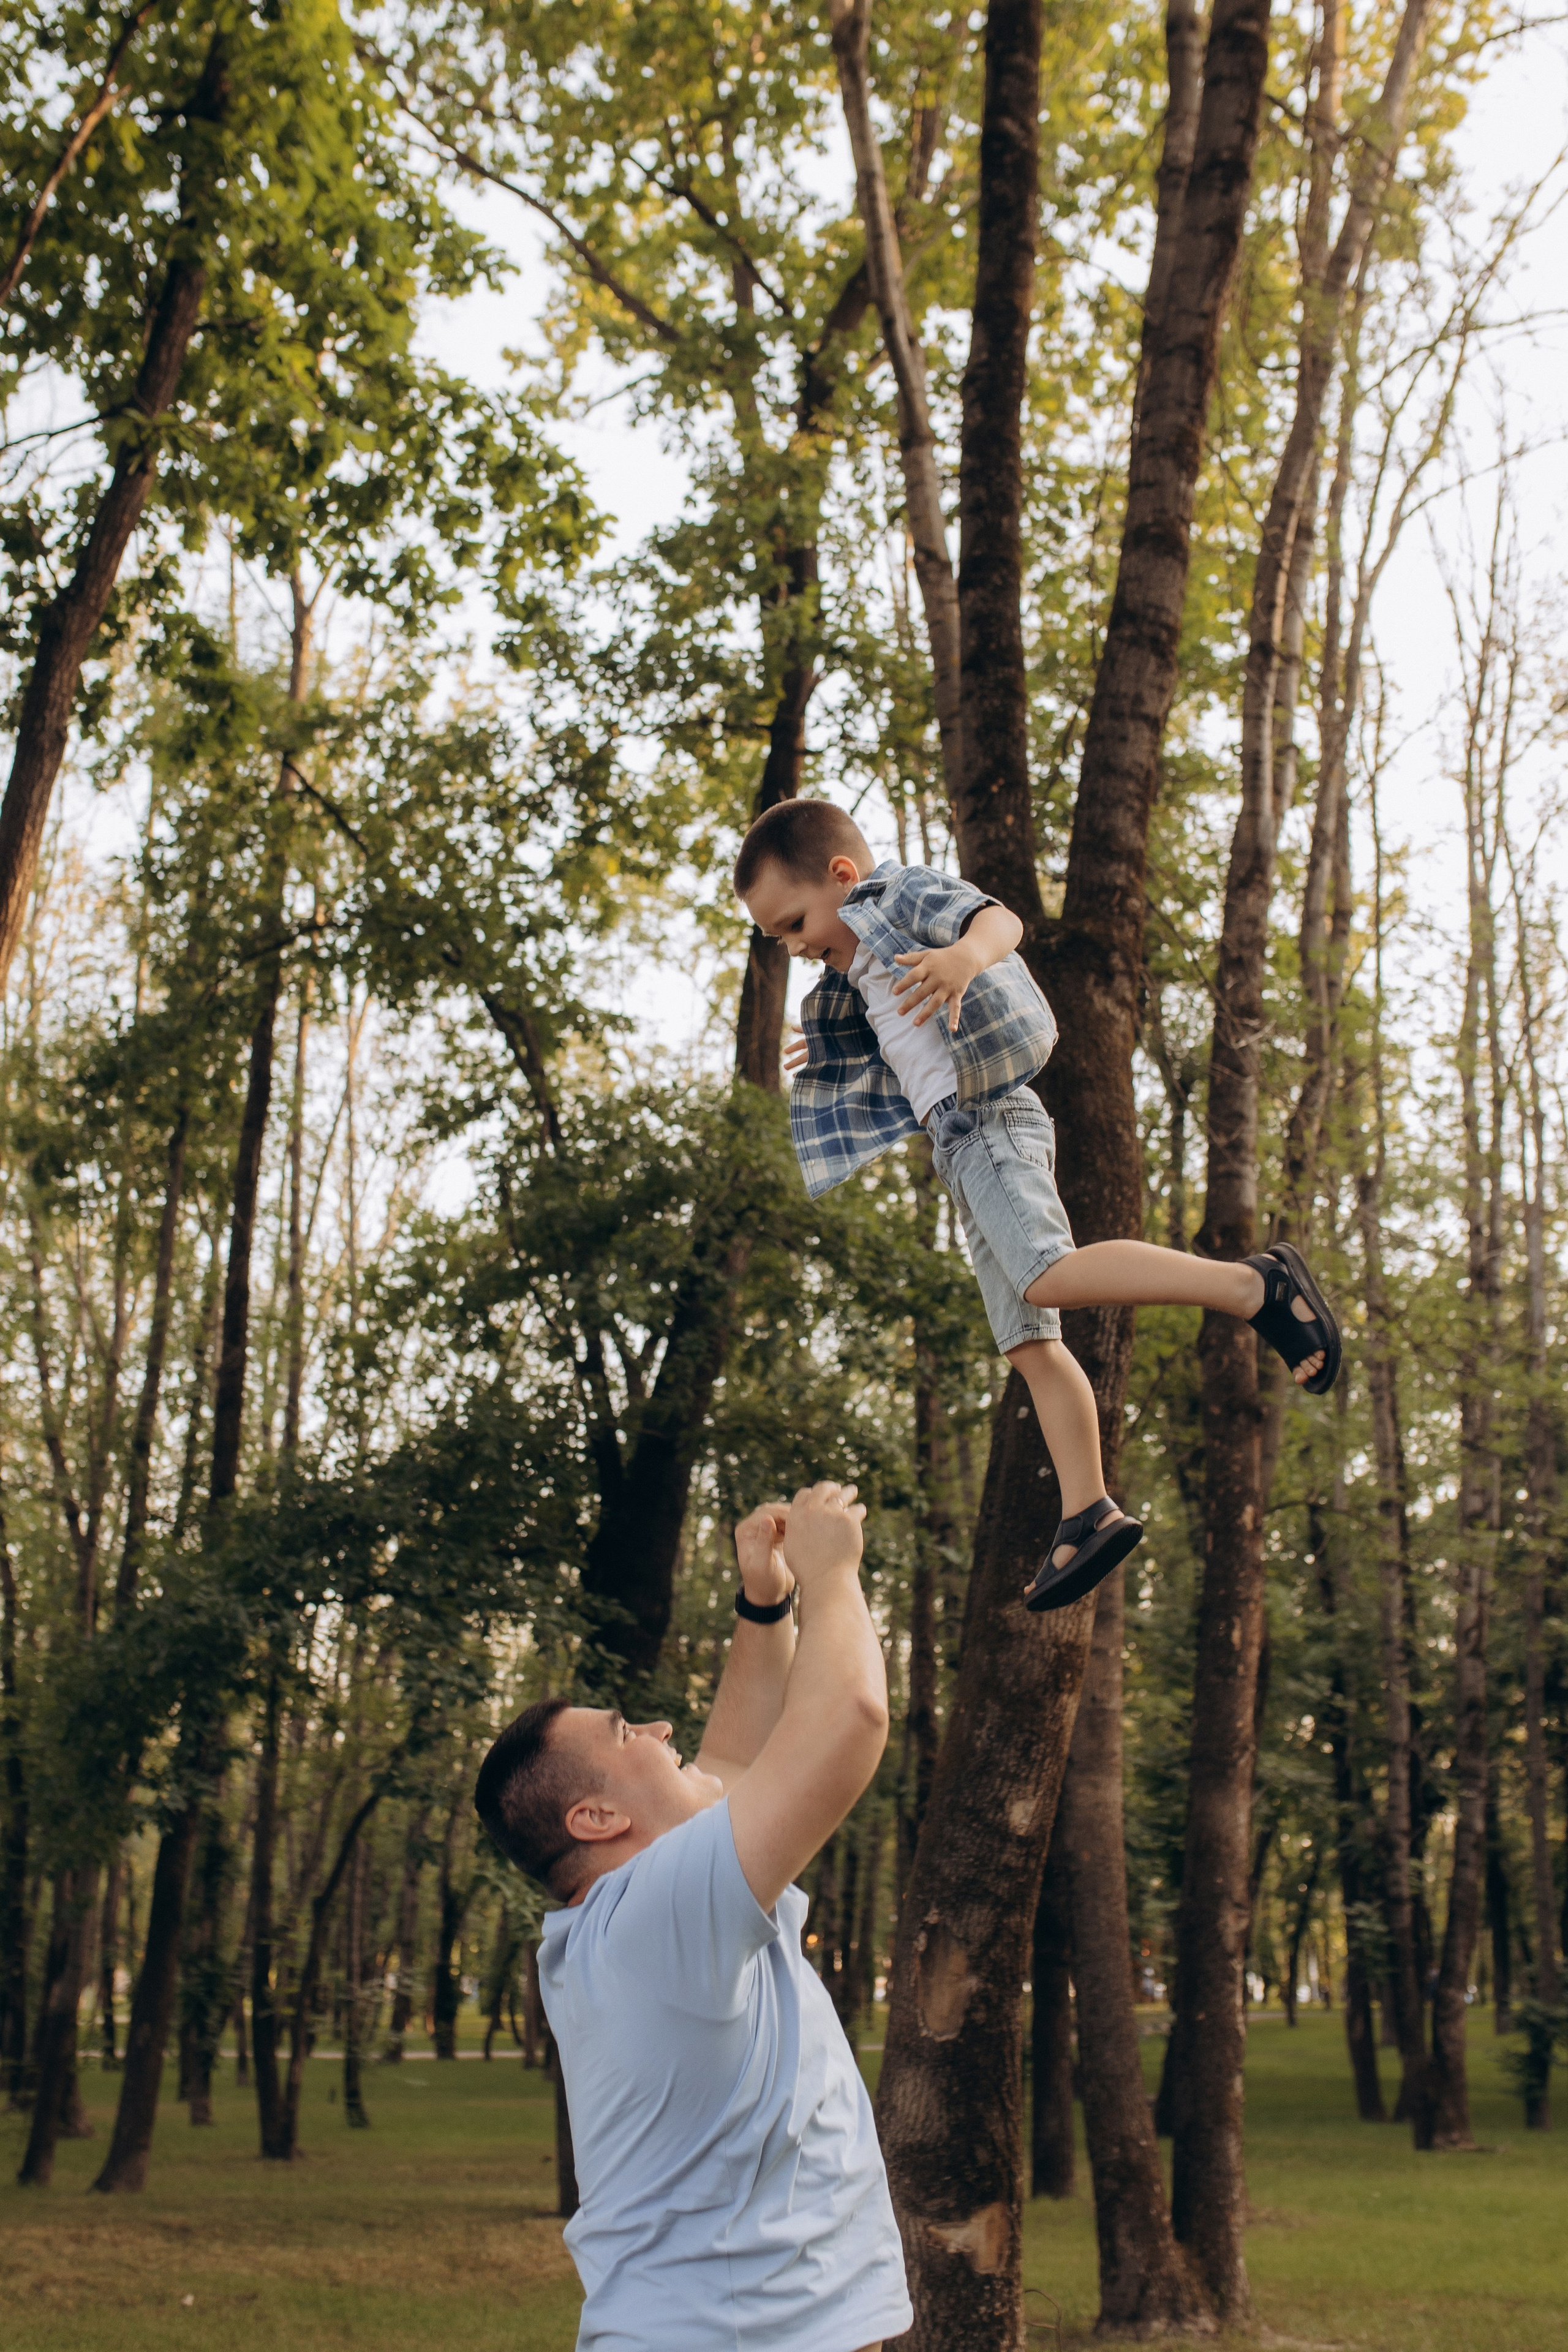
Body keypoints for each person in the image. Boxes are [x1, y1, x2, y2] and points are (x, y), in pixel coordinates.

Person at [733, 797, 1341, 1612]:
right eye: (780, 937)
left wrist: (967, 960)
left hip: (990, 1119)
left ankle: (1255, 1286)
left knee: (1048, 1275)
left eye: (794, 922)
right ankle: (1088, 1508)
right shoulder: (862, 967)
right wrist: (849, 1045)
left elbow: (998, 922)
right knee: (1027, 1339)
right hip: (959, 1149)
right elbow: (912, 1044)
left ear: (844, 878)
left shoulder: (897, 897)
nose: (795, 944)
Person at [473, 1480, 912, 2352]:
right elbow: (849, 1720)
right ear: (596, 1820)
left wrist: (764, 1602)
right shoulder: (650, 1920)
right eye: (630, 1731)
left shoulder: (625, 1925)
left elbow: (734, 1760)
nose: (663, 1727)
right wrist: (831, 1572)